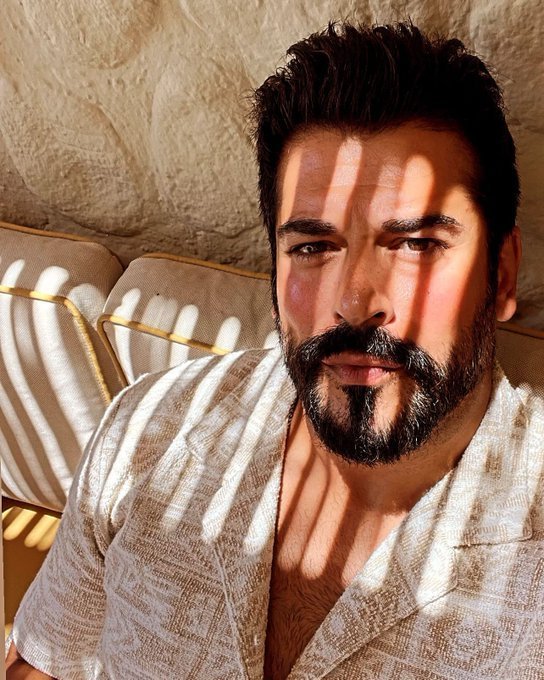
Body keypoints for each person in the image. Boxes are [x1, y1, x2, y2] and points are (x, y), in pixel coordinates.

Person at [7, 21, 544, 680]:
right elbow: (43, 661)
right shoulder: (148, 431)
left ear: (502, 274)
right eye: (313, 247)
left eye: (416, 245)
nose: (355, 304)